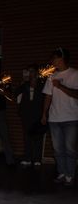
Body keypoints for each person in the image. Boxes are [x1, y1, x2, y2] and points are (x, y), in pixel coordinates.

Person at [42, 47, 78, 186]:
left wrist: (61, 86)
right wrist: (44, 113)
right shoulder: (51, 76)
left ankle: (70, 175)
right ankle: (62, 172)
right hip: (54, 118)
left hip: (71, 117)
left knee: (70, 148)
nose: (53, 61)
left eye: (55, 59)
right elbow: (48, 96)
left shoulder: (75, 74)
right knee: (57, 149)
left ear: (62, 58)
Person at [13, 65, 46, 166]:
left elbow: (46, 98)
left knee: (38, 137)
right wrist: (21, 84)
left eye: (32, 71)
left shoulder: (42, 84)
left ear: (37, 73)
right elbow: (15, 94)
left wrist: (45, 114)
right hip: (26, 114)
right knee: (27, 137)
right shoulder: (25, 84)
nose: (30, 73)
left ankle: (37, 159)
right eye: (29, 71)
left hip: (38, 113)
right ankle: (27, 158)